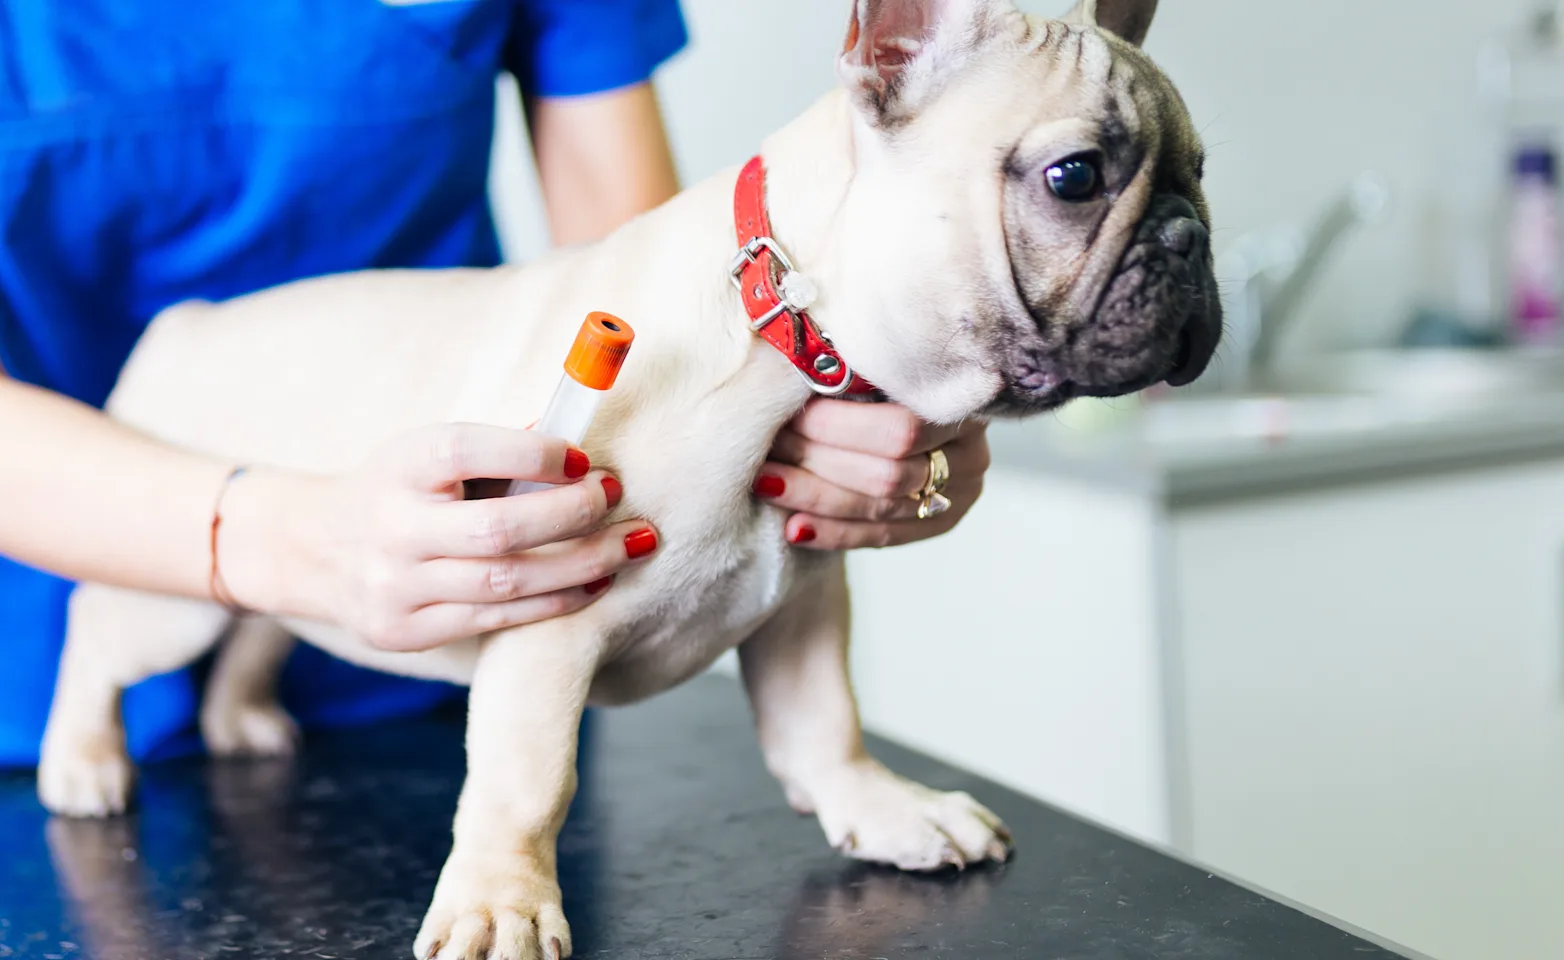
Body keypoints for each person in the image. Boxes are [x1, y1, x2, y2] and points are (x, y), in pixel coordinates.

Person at [0, 0, 991, 768]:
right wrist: (285, 542)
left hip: (474, 663)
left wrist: (812, 424)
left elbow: (647, 282)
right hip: (46, 620)